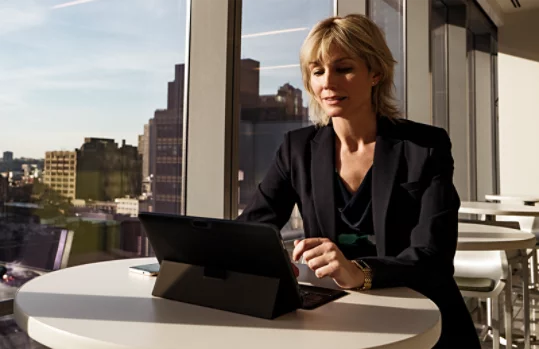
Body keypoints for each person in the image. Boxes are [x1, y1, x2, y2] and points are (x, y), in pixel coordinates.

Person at [237, 13, 480, 348]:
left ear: (375, 73)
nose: (327, 82)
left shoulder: (425, 147)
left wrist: (359, 271)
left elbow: (433, 256)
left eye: (343, 68)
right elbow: (253, 227)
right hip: (340, 317)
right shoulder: (297, 148)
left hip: (422, 317)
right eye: (317, 71)